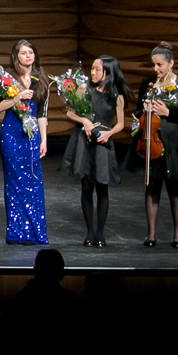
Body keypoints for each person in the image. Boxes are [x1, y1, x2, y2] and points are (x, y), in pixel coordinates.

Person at [136, 41, 178, 248]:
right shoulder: (148, 84)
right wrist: (144, 109)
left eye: (159, 65)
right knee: (153, 184)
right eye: (153, 65)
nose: (156, 69)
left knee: (175, 186)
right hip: (152, 140)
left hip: (174, 142)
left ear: (171, 63)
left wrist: (168, 112)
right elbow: (137, 112)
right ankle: (151, 234)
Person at [61, 56, 125, 247]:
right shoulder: (84, 89)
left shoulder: (116, 96)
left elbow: (120, 124)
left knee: (102, 187)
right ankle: (89, 232)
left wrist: (109, 133)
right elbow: (70, 112)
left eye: (98, 69)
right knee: (86, 186)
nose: (93, 72)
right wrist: (85, 121)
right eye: (92, 68)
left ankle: (100, 233)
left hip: (102, 142)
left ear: (108, 72)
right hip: (85, 141)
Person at [0, 37, 49, 245]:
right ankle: (15, 231)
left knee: (32, 181)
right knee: (14, 181)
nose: (28, 56)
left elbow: (42, 114)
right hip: (11, 132)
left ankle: (32, 231)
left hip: (31, 133)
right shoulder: (8, 79)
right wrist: (16, 97)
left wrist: (43, 140)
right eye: (24, 53)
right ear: (16, 56)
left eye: (31, 52)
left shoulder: (41, 80)